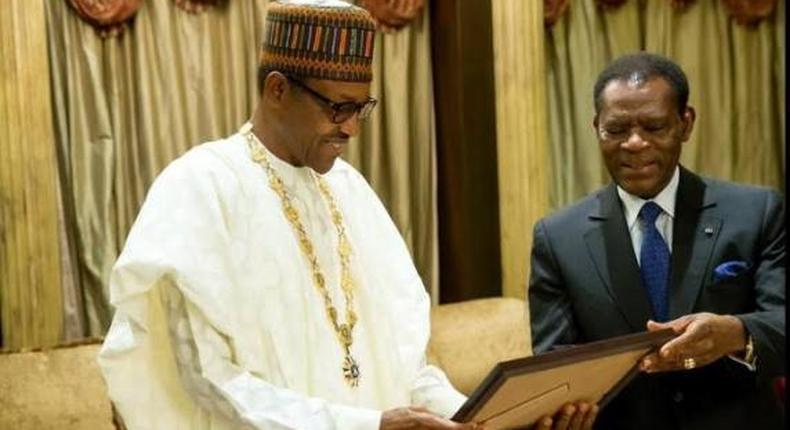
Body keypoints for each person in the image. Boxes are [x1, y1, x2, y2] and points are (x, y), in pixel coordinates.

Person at [99, 1, 594, 428]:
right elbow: (207, 380)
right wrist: (365, 425)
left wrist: (481, 417)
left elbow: (408, 364)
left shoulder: (349, 189)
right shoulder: (200, 186)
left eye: (363, 108)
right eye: (338, 109)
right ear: (277, 89)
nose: (353, 129)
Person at [528, 51, 785, 429]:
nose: (634, 143)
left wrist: (734, 333)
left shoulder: (756, 212)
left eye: (654, 127)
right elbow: (555, 361)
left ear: (685, 123)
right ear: (596, 126)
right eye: (616, 130)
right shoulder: (557, 237)